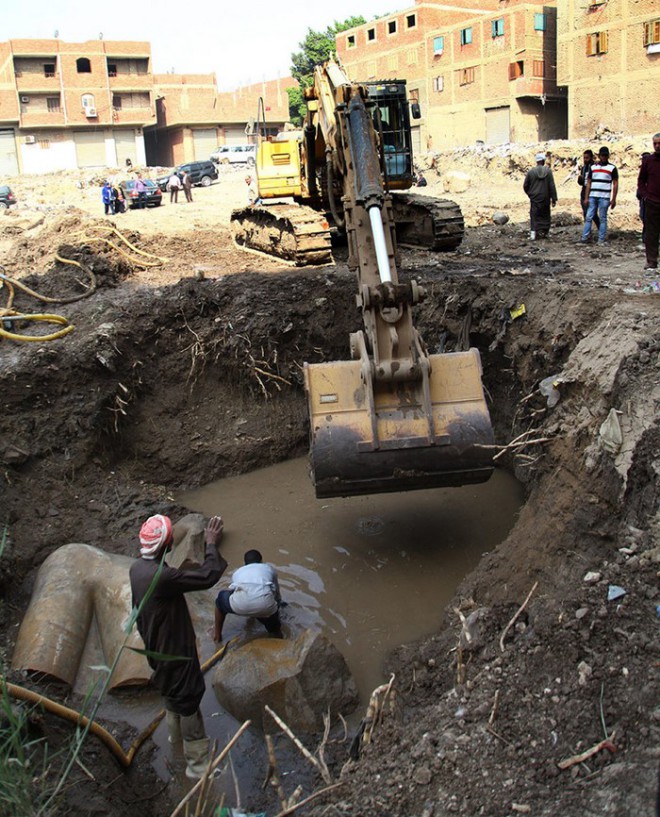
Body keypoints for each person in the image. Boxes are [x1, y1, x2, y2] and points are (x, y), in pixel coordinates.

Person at [129, 513, 226, 779]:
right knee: (188, 699)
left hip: (156, 647)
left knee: (172, 697)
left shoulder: (137, 569)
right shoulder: (163, 577)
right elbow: (207, 577)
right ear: (167, 543)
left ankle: (176, 746)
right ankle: (198, 768)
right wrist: (211, 543)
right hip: (174, 650)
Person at [214, 549, 282, 643]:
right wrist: (278, 603)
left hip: (239, 606)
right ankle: (278, 636)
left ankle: (217, 635)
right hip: (266, 607)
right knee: (274, 622)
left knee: (220, 599)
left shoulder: (238, 572)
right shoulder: (268, 568)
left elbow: (235, 590)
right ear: (261, 561)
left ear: (245, 563)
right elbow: (276, 591)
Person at [580, 145, 618, 245]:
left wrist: (613, 199)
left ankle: (601, 239)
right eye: (602, 155)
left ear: (608, 156)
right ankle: (585, 237)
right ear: (599, 156)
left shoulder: (612, 168)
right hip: (593, 196)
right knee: (589, 217)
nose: (604, 157)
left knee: (602, 218)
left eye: (605, 156)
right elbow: (588, 182)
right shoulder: (593, 168)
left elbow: (615, 184)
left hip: (604, 197)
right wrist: (586, 197)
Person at [637, 135, 660, 271]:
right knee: (651, 233)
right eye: (655, 144)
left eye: (659, 143)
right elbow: (641, 181)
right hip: (652, 203)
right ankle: (651, 261)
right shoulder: (648, 161)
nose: (657, 146)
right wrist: (645, 196)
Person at [523, 152, 557, 240]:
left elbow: (525, 185)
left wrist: (530, 194)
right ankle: (545, 232)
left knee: (534, 215)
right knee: (545, 215)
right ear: (543, 161)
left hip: (535, 198)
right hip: (545, 197)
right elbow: (552, 185)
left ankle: (533, 234)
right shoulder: (548, 171)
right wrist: (554, 198)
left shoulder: (531, 172)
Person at [577, 149, 600, 236]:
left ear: (591, 158)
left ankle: (600, 229)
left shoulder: (595, 167)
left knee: (592, 214)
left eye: (587, 158)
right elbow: (583, 182)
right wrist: (580, 180)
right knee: (586, 213)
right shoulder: (584, 168)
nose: (585, 160)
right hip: (584, 191)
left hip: (592, 192)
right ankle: (588, 233)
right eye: (584, 158)